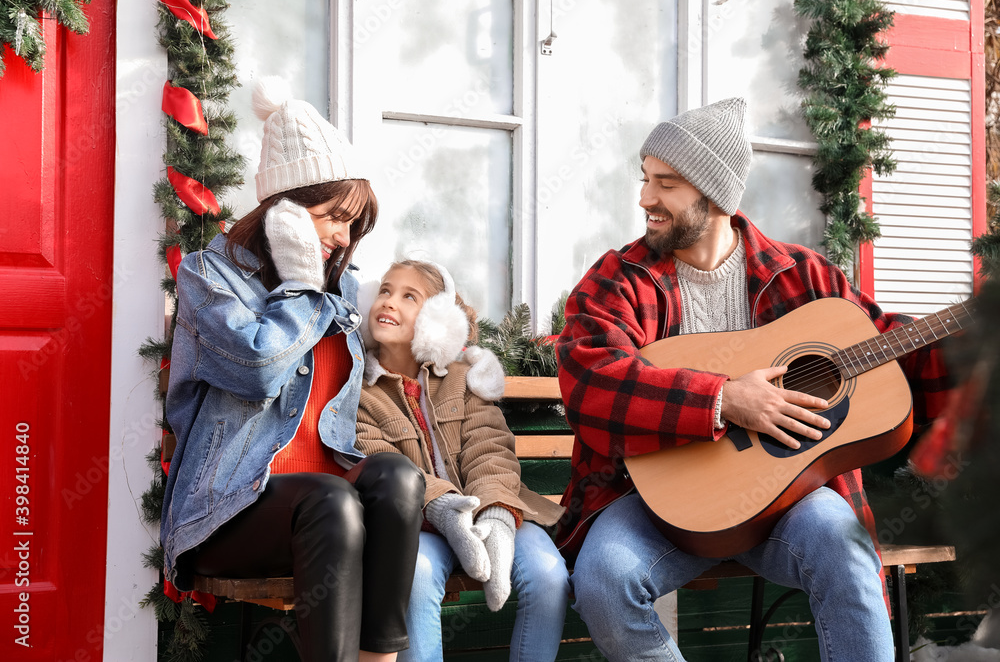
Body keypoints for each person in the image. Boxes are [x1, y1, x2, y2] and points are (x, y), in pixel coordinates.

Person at [555, 97, 951, 661]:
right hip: (654, 502)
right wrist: (723, 400)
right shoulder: (618, 279)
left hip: (792, 498)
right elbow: (591, 382)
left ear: (713, 195)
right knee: (604, 580)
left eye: (665, 183)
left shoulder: (805, 276)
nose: (645, 198)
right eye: (645, 179)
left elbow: (893, 346)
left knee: (846, 551)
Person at [160, 77, 425, 662]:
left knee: (397, 479)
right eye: (333, 216)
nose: (343, 237)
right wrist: (301, 284)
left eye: (355, 225)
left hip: (325, 512)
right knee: (331, 500)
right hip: (226, 508)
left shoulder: (345, 288)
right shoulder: (210, 277)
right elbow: (257, 370)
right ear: (286, 208)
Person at [355, 260, 570, 661]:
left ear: (436, 319)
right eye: (384, 290)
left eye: (408, 296)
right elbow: (378, 458)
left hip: (491, 505)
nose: (389, 302)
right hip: (418, 525)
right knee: (414, 578)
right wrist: (443, 506)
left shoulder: (462, 378)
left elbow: (489, 448)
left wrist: (497, 515)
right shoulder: (361, 393)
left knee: (547, 575)